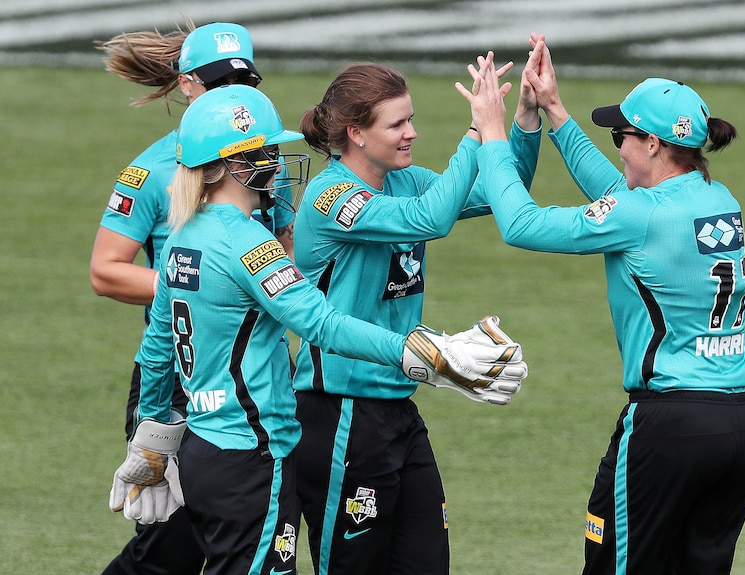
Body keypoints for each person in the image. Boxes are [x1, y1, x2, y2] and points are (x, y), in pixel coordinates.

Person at [107, 80, 527, 575]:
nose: (277, 161)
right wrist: (426, 353)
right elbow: (320, 322)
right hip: (253, 452)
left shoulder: (181, 239)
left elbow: (157, 349)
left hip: (203, 450)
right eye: (266, 151)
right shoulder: (250, 245)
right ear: (234, 161)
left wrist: (151, 438)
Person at [471, 35, 745, 574]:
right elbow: (622, 198)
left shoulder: (642, 216)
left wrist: (493, 135)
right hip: (740, 428)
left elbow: (521, 224)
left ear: (652, 144)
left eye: (621, 136)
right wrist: (555, 112)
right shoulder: (717, 200)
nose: (617, 146)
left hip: (669, 427)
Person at [290, 47, 541, 575]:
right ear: (357, 133)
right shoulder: (330, 194)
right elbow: (431, 219)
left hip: (398, 408)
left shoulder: (407, 179)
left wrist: (520, 122)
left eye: (412, 120)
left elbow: (499, 192)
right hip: (340, 414)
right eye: (397, 123)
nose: (411, 133)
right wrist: (475, 134)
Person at [89, 21, 294, 575]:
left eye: (245, 81)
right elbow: (106, 271)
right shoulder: (152, 169)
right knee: (170, 549)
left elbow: (286, 255)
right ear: (186, 85)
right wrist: (207, 288)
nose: (235, 94)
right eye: (218, 82)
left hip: (254, 373)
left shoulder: (263, 162)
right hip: (180, 368)